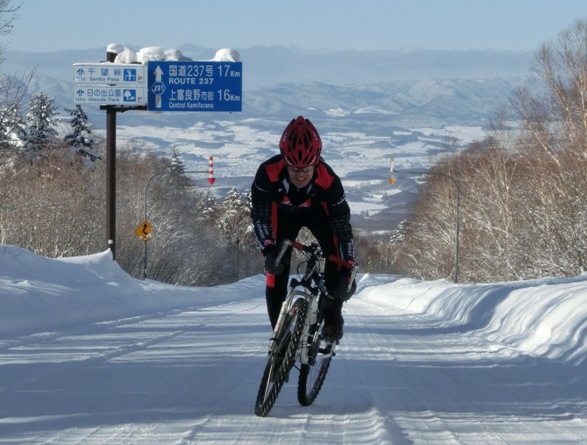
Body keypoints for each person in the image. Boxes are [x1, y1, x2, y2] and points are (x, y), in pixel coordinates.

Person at [250, 115, 356, 342]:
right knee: (275, 266)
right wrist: (268, 251)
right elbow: (260, 218)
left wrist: (348, 270)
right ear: (284, 161)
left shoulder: (330, 182)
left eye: (306, 168)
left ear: (316, 162)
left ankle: (333, 314)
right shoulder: (267, 173)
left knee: (336, 260)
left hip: (318, 213)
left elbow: (343, 232)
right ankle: (279, 337)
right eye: (293, 168)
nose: (300, 174)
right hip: (283, 215)